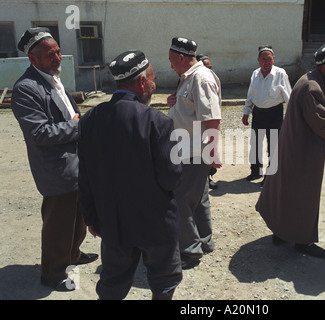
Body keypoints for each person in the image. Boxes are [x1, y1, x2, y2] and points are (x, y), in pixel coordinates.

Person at [78, 50, 183, 300]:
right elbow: (172, 178)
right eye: (153, 79)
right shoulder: (158, 122)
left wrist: (91, 217)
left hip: (113, 223)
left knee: (113, 282)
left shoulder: (90, 119)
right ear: (142, 82)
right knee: (163, 281)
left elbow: (84, 174)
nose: (154, 85)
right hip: (156, 223)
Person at [11, 27, 97, 292]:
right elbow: (39, 132)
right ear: (33, 59)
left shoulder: (52, 78)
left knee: (79, 216)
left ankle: (72, 254)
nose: (58, 57)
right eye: (51, 54)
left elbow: (72, 113)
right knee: (59, 223)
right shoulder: (26, 89)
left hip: (77, 163)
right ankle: (53, 272)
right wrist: (77, 126)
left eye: (59, 51)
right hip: (57, 169)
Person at [255, 42, 325, 258]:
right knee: (304, 196)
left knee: (288, 193)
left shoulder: (312, 80)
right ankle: (303, 241)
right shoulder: (313, 87)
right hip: (303, 154)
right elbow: (324, 127)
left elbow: (319, 114)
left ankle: (282, 232)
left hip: (294, 148)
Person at [168, 37, 222, 269]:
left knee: (180, 200)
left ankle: (189, 251)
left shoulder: (201, 78)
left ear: (181, 58)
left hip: (193, 151)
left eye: (172, 60)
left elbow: (212, 119)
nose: (170, 64)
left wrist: (212, 154)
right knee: (198, 198)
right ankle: (204, 241)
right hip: (187, 150)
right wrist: (175, 103)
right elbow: (190, 109)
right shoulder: (188, 78)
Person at [242, 46, 292, 184]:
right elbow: (251, 95)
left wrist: (291, 116)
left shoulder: (280, 74)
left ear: (273, 59)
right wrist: (246, 112)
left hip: (274, 113)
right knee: (256, 144)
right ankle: (255, 171)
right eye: (263, 59)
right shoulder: (255, 74)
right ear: (258, 60)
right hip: (258, 113)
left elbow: (289, 97)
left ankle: (270, 176)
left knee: (274, 146)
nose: (266, 62)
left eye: (269, 58)